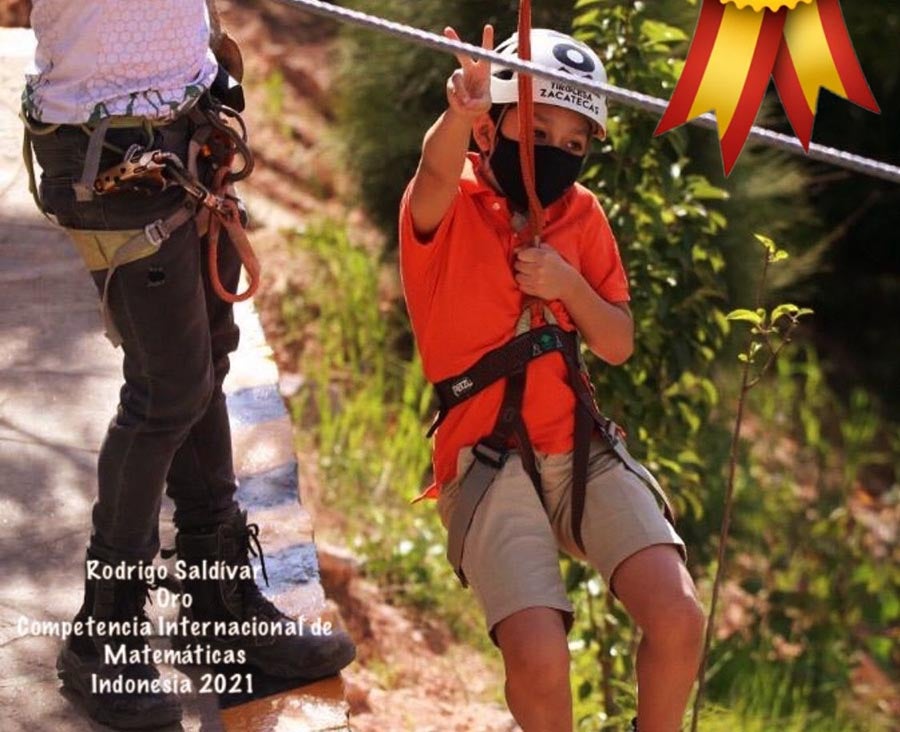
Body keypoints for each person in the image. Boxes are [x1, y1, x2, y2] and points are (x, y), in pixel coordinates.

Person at [23, 1, 354, 728]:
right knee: (166, 390)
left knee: (204, 359)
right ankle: (102, 638)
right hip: (108, 147)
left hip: (187, 120)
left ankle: (220, 604)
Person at [400, 24, 705, 732]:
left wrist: (569, 285)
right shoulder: (450, 207)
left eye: (574, 145)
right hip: (485, 455)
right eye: (537, 132)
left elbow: (618, 342)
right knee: (538, 654)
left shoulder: (583, 217)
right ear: (494, 127)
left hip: (577, 442)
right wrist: (460, 112)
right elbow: (437, 170)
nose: (556, 155)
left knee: (678, 617)